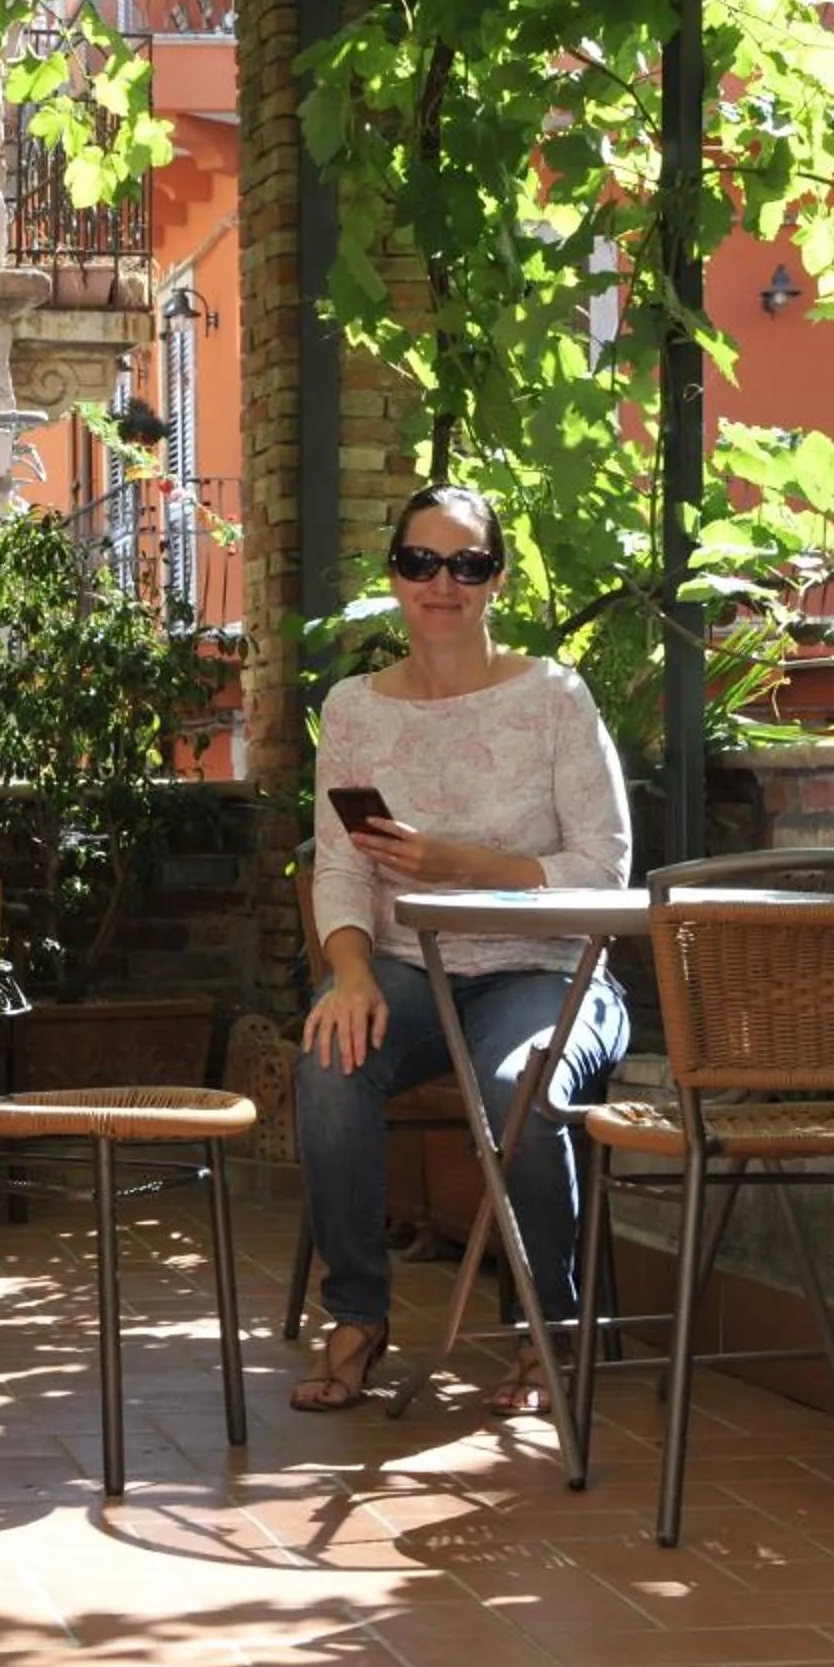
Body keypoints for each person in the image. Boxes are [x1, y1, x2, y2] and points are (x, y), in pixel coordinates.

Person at [290, 484, 633, 1414]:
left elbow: (605, 871)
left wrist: (456, 863)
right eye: (420, 562)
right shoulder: (355, 709)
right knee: (328, 1061)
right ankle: (358, 1315)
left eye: (467, 565)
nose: (442, 583)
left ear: (497, 580)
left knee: (517, 1084)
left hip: (551, 970)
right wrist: (351, 973)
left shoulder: (554, 697)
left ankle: (545, 1330)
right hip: (408, 972)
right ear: (395, 574)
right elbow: (343, 869)